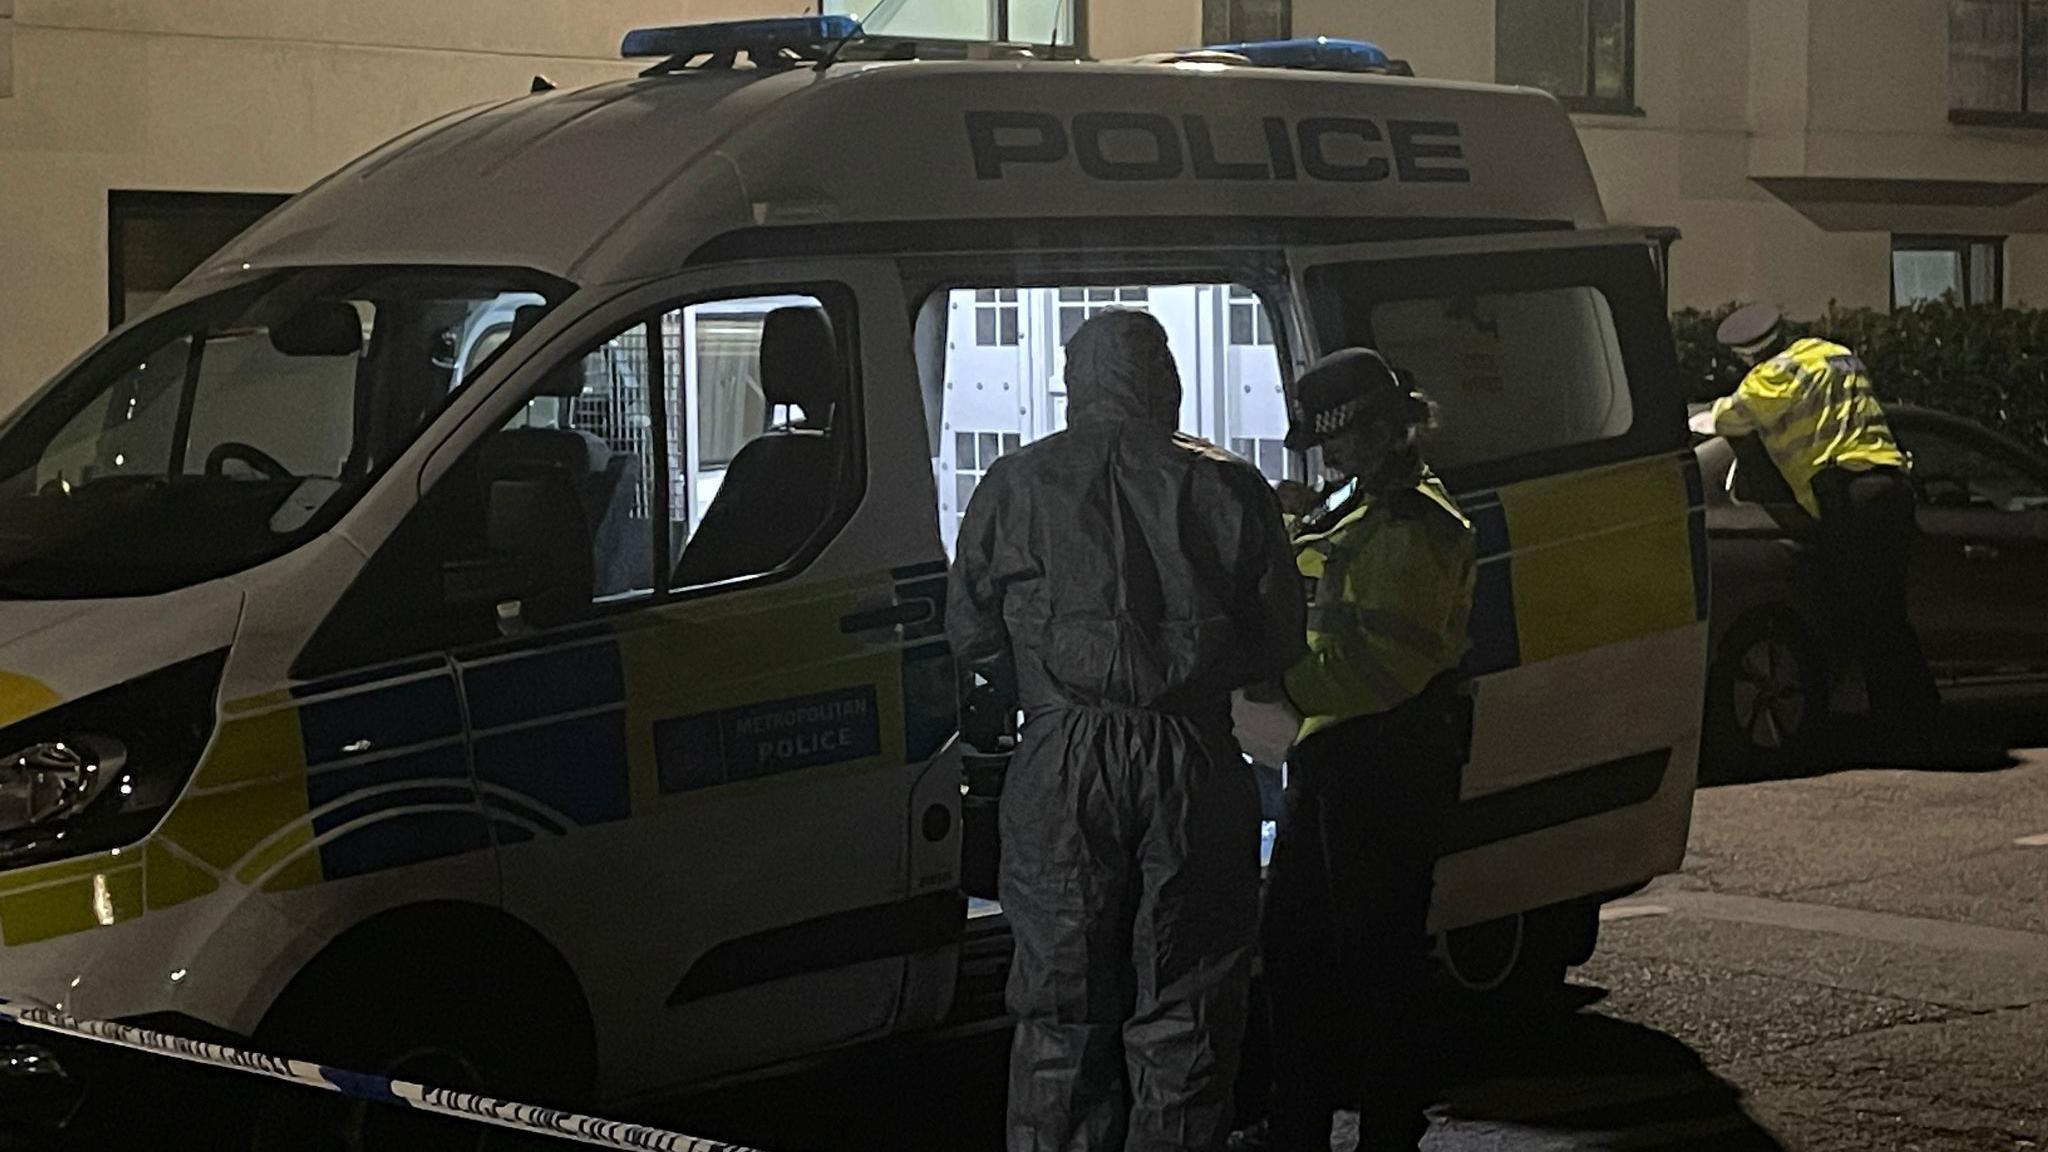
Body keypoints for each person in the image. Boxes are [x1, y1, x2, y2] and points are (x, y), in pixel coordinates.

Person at [948, 309, 1305, 1152]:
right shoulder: (1226, 483)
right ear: (1164, 379)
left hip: (1061, 758)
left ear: (1076, 381)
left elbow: (971, 632)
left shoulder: (1015, 482)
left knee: (1059, 1010)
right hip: (1191, 757)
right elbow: (1276, 641)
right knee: (1187, 1005)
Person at [1251, 349, 1476, 1152]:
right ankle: (1297, 1125)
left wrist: (1273, 692)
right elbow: (1321, 567)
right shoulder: (1353, 501)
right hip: (1331, 757)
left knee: (1377, 967)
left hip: (1385, 760)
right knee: (1295, 955)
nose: (1327, 455)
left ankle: (1388, 1133)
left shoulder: (1419, 525)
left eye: (1338, 440)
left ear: (1386, 429)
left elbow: (1383, 669)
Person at [1704, 302, 1943, 747]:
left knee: (1867, 617)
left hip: (1847, 498)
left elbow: (1726, 417)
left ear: (1745, 355)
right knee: (1887, 615)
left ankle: (1902, 729)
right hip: (1891, 490)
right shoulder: (1836, 353)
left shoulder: (1771, 377)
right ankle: (1917, 722)